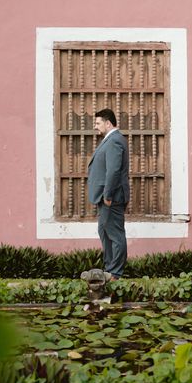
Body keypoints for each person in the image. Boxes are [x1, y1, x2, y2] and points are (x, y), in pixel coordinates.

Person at [88, 108, 130, 279]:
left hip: (110, 198)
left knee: (115, 234)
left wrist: (107, 196)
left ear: (108, 123)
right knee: (104, 232)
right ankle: (110, 269)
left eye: (98, 123)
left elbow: (113, 171)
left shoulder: (114, 141)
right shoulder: (110, 140)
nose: (96, 127)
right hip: (104, 197)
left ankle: (115, 272)